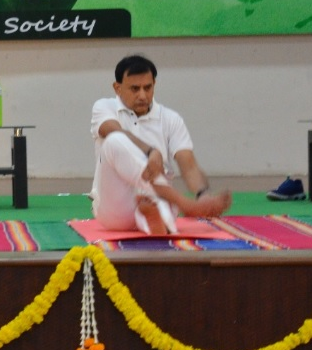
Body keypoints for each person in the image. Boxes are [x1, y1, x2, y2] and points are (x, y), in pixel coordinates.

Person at [90, 55, 232, 235]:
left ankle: (156, 224)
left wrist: (203, 195)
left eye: (147, 87)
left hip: (158, 200)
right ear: (117, 88)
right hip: (116, 209)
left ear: (154, 84)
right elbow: (111, 130)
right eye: (135, 89)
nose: (142, 95)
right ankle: (183, 203)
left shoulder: (171, 118)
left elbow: (188, 165)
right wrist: (151, 151)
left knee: (157, 203)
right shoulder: (104, 107)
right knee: (114, 140)